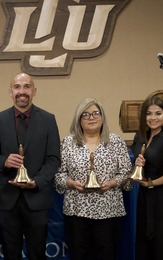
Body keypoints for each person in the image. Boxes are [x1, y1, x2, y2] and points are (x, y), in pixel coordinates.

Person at [0, 73, 61, 260]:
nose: (22, 91)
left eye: (27, 87)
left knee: (37, 253)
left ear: (34, 91)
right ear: (10, 91)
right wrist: (4, 161)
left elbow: (53, 159)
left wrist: (36, 182)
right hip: (7, 200)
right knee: (11, 254)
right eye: (17, 87)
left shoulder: (48, 119)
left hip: (37, 198)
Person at [55, 98, 132, 260]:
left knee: (107, 254)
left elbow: (127, 172)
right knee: (78, 254)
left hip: (109, 210)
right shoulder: (68, 143)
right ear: (79, 119)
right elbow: (58, 174)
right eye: (86, 114)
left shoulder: (116, 142)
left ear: (102, 117)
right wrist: (70, 183)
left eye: (96, 113)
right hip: (76, 210)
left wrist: (113, 182)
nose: (91, 117)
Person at [129, 95, 163, 260]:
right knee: (143, 240)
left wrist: (151, 183)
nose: (153, 118)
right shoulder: (140, 137)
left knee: (162, 241)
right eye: (149, 114)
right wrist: (137, 165)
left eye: (158, 113)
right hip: (143, 195)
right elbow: (135, 169)